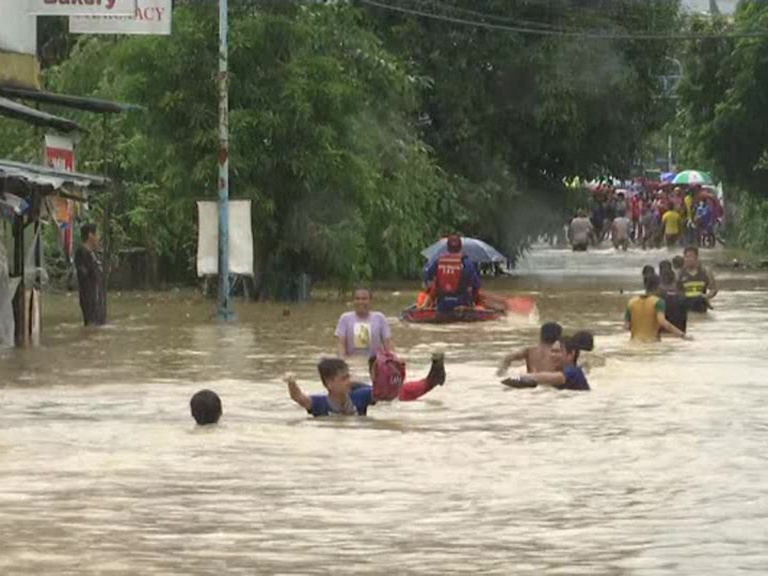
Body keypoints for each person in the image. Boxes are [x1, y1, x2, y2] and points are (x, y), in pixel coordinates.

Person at [285, 353, 446, 417]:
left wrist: (393, 371)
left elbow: (387, 394)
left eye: (348, 376)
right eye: (343, 378)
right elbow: (298, 397)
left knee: (401, 394)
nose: (348, 380)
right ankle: (433, 379)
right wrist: (291, 382)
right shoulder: (320, 403)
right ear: (329, 383)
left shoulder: (359, 396)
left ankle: (432, 379)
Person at [502, 336, 591, 391]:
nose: (552, 355)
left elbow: (553, 378)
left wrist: (523, 377)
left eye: (557, 352)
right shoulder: (562, 370)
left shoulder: (573, 372)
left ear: (571, 354)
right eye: (552, 351)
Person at [625, 273, 689, 342]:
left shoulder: (631, 302)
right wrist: (682, 335)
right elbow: (663, 322)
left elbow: (626, 326)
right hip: (652, 342)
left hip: (634, 342)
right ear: (658, 285)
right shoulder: (658, 302)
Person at [424, 235, 481, 313]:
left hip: (442, 303)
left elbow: (427, 278)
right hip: (461, 302)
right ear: (460, 247)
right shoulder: (466, 262)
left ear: (447, 247)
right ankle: (467, 307)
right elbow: (476, 285)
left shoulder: (438, 261)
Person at [335, 288, 392, 358]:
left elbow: (388, 344)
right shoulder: (345, 318)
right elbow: (341, 343)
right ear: (353, 301)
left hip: (374, 361)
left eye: (364, 299)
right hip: (352, 360)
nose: (360, 302)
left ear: (371, 301)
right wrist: (342, 360)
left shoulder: (380, 318)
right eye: (357, 299)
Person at [497, 322, 563, 376]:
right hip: (548, 382)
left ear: (541, 335)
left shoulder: (529, 350)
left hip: (530, 381)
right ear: (558, 337)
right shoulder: (558, 354)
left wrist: (501, 374)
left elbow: (508, 358)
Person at [74, 223, 106, 326]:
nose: (99, 238)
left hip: (97, 299)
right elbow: (83, 275)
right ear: (90, 235)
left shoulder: (94, 254)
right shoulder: (81, 253)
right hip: (89, 299)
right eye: (97, 234)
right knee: (92, 327)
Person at [678, 246, 718, 313]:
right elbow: (675, 290)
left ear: (696, 258)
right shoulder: (679, 274)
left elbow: (713, 289)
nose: (688, 259)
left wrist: (707, 296)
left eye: (691, 256)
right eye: (686, 257)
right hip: (686, 305)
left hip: (701, 305)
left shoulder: (706, 272)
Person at [658, 260, 688, 333]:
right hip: (679, 322)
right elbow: (684, 300)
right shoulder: (678, 283)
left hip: (664, 321)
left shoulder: (658, 286)